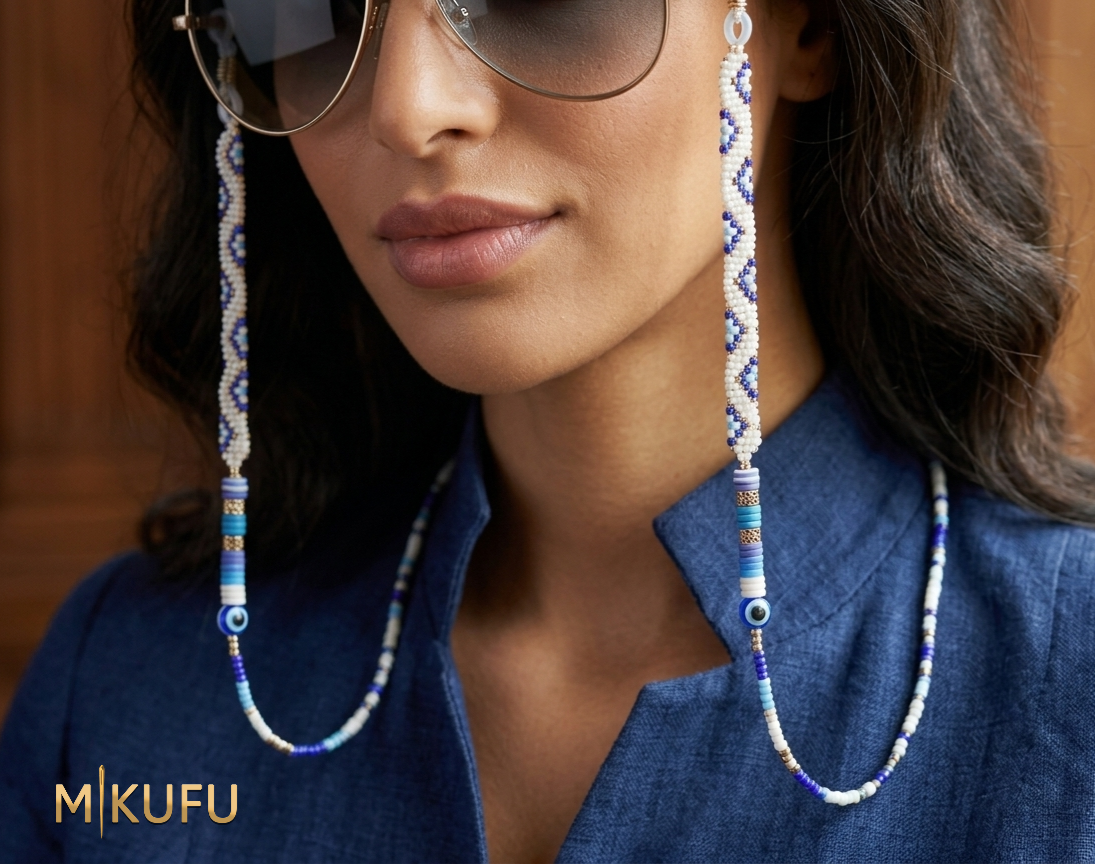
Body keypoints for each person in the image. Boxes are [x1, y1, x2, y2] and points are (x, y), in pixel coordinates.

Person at [2, 0, 1093, 860]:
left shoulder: (1065, 687)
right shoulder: (130, 693)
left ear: (806, 26)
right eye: (319, 6)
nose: (408, 108)